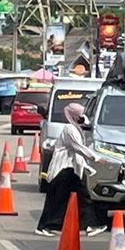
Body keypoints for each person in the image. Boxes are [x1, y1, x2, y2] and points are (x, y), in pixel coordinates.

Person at [36, 101, 105, 236]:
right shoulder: (69, 129)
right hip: (63, 170)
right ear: (73, 115)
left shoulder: (76, 129)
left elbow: (76, 155)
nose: (82, 117)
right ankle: (47, 226)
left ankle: (89, 225)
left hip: (71, 170)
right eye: (79, 115)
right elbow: (78, 148)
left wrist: (89, 169)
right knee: (59, 199)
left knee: (80, 198)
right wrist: (95, 158)